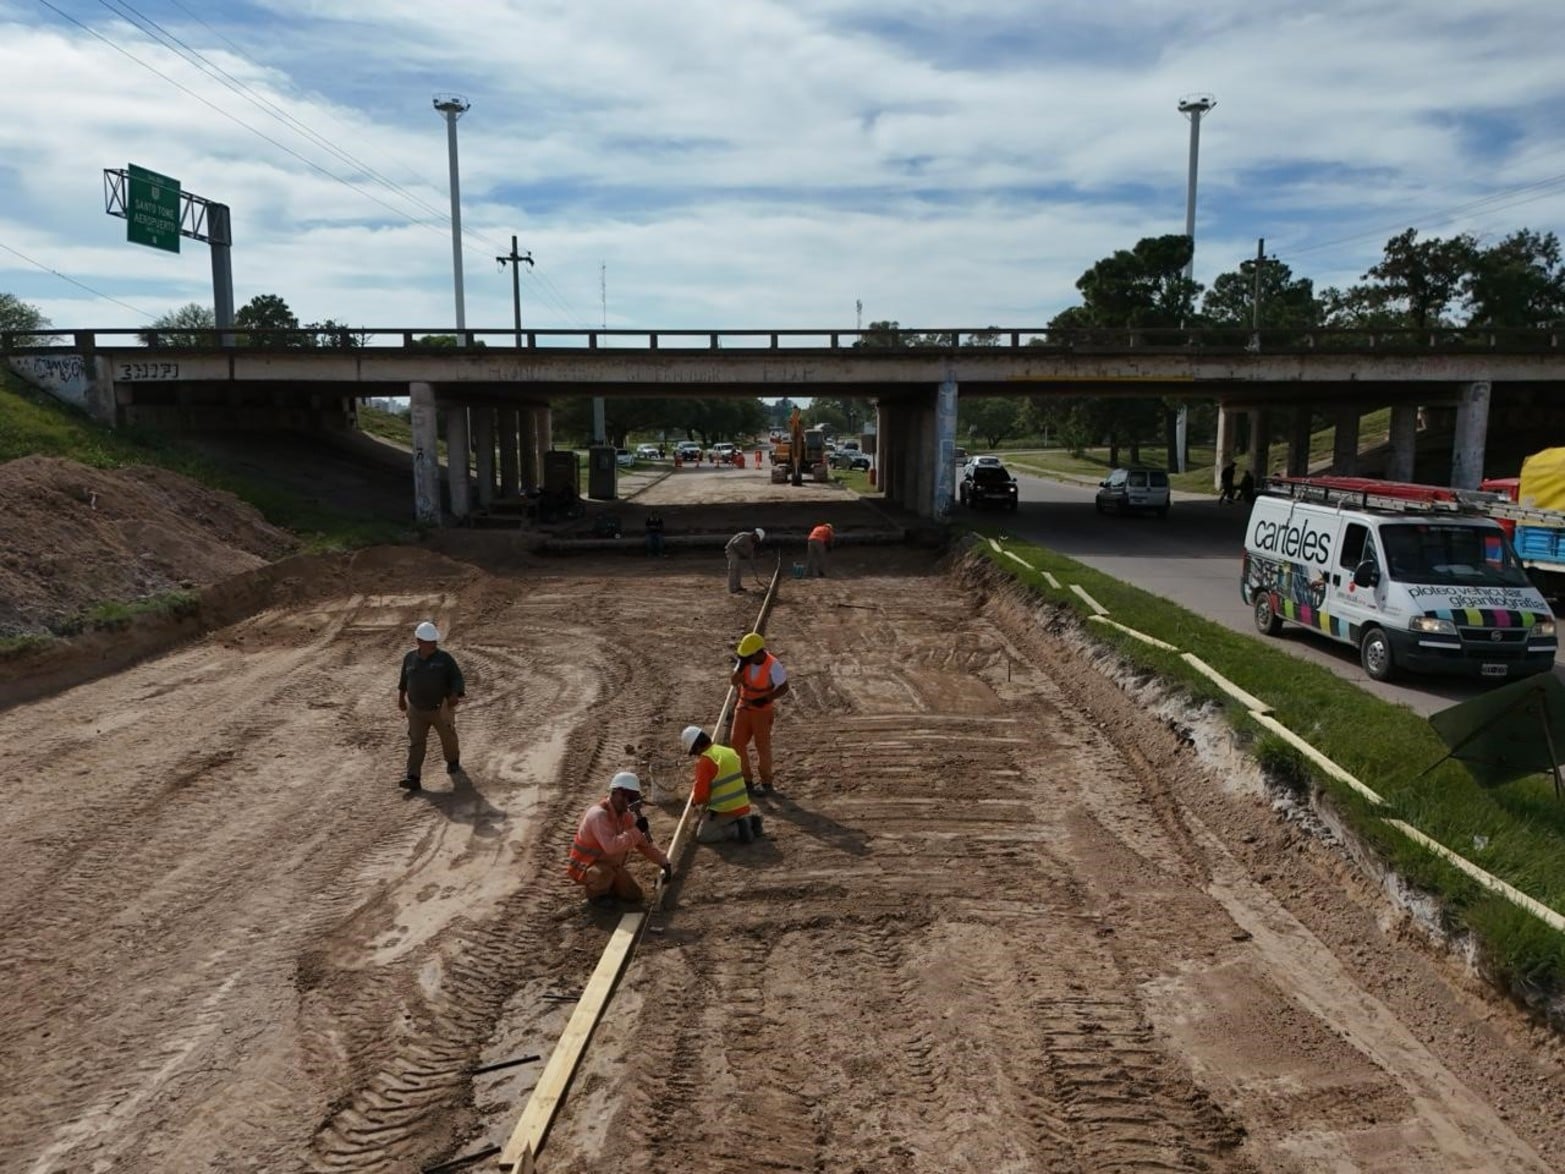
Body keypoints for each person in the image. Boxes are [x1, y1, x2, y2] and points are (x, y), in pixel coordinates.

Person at [566, 771, 673, 908]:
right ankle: (596, 895)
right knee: (603, 874)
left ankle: (609, 886)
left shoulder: (624, 816)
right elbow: (611, 847)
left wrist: (664, 862)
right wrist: (636, 831)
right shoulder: (599, 815)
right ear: (615, 792)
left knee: (634, 895)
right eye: (625, 796)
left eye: (631, 798)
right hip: (587, 866)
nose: (627, 802)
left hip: (611, 865)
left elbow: (644, 844)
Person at [397, 621, 465, 791]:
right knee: (416, 742)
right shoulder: (410, 658)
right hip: (416, 709)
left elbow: (457, 677)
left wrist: (455, 694)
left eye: (434, 642)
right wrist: (401, 698)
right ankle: (413, 777)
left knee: (448, 736)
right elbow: (404, 681)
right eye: (429, 642)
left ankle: (453, 761)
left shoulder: (445, 659)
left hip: (440, 707)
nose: (433, 645)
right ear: (419, 641)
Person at [681, 726, 763, 843]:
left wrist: (695, 801)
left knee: (704, 835)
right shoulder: (729, 751)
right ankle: (748, 820)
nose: (696, 755)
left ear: (698, 747)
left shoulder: (706, 761)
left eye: (694, 752)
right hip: (743, 804)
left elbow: (700, 796)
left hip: (725, 809)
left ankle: (738, 829)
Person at [730, 632, 789, 794]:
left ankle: (766, 782)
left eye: (748, 657)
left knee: (762, 746)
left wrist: (767, 698)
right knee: (736, 743)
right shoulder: (745, 662)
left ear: (759, 652)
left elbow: (784, 687)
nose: (747, 660)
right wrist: (740, 668)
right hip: (744, 705)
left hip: (762, 710)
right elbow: (733, 682)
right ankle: (746, 780)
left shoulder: (773, 665)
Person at [725, 527, 765, 594]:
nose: (757, 541)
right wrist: (744, 553)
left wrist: (753, 565)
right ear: (755, 535)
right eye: (757, 539)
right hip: (732, 551)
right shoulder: (745, 536)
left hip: (737, 553)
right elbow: (735, 544)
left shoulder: (752, 543)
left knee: (738, 570)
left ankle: (738, 586)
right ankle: (732, 589)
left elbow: (750, 554)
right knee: (733, 568)